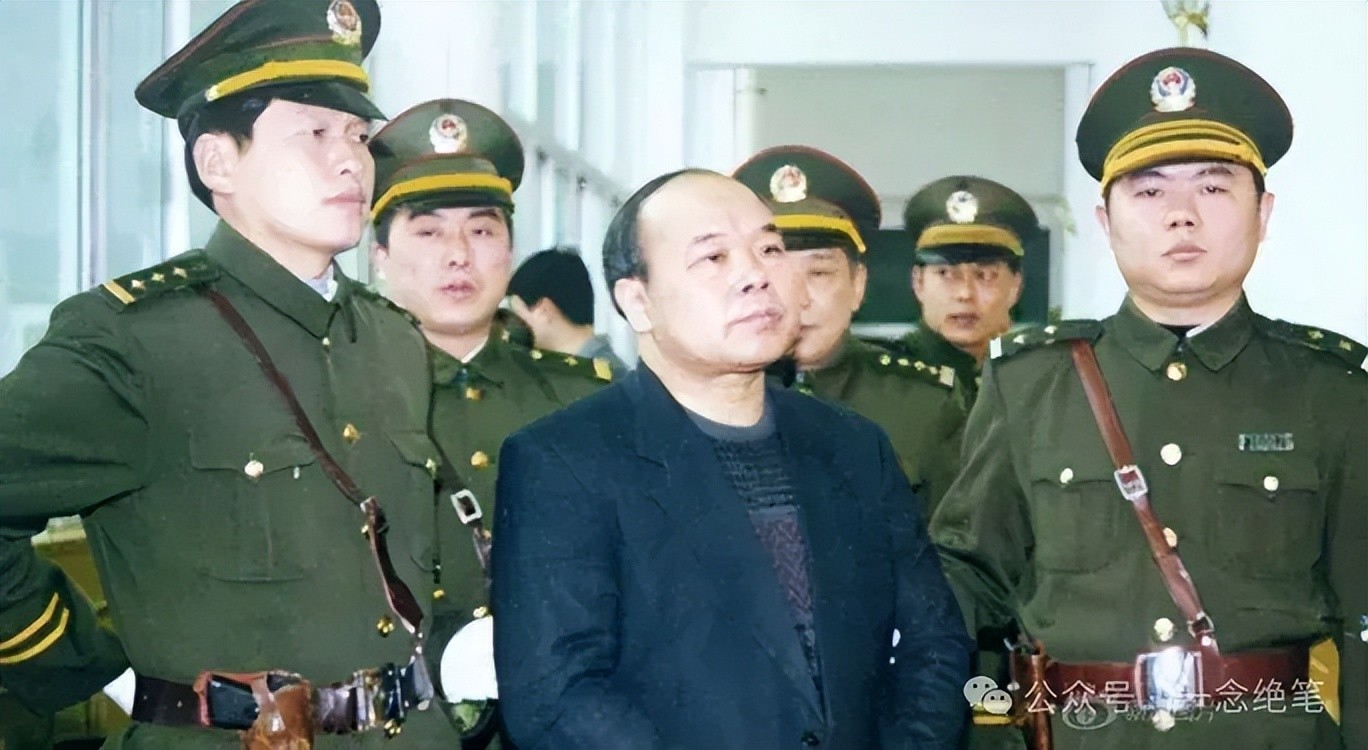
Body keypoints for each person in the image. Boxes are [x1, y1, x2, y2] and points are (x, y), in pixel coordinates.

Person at [0, 1, 451, 746]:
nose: (351, 160)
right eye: (314, 133)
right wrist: (82, 666)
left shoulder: (393, 340)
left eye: (358, 136)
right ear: (218, 162)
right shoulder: (136, 341)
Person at [931, 47, 1366, 750]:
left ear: (1264, 213)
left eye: (1214, 187)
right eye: (1150, 191)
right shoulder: (1030, 384)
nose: (1182, 216)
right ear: (1106, 222)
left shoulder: (1332, 391)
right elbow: (966, 586)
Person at [490, 168, 972, 750]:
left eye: (769, 249)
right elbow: (557, 696)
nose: (755, 275)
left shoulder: (853, 446)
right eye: (713, 257)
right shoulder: (564, 461)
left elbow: (934, 646)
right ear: (637, 301)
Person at [368, 97, 611, 746]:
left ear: (509, 251)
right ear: (380, 254)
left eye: (481, 232)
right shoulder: (340, 403)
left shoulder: (585, 401)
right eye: (428, 233)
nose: (459, 256)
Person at [731, 145, 966, 516]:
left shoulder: (924, 405)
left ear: (858, 285)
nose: (798, 300)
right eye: (776, 273)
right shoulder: (707, 398)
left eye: (819, 273)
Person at [895, 176, 1038, 405]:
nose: (965, 294)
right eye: (946, 274)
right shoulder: (886, 382)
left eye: (985, 276)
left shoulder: (1039, 381)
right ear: (918, 282)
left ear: (1015, 286)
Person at [507, 247, 631, 378]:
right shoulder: (597, 369)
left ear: (544, 311)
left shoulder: (597, 380)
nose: (511, 325)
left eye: (517, 314)